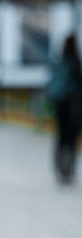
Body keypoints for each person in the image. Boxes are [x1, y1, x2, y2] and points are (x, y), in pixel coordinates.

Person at [47, 34, 82, 185]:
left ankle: (61, 169)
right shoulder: (75, 63)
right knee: (71, 140)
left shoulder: (59, 61)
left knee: (61, 138)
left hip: (61, 107)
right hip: (74, 108)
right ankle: (69, 170)